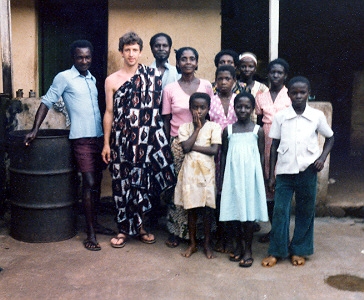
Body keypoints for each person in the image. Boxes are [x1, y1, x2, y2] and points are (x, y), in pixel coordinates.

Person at [24, 40, 115, 251]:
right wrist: (35, 129)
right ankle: (90, 233)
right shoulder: (64, 77)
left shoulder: (92, 79)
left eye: (87, 57)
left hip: (98, 138)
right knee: (89, 181)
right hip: (80, 139)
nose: (84, 61)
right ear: (73, 58)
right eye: (80, 57)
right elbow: (46, 102)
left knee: (98, 182)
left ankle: (95, 224)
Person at [102, 32, 175, 248]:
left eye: (135, 50)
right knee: (121, 184)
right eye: (127, 50)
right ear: (121, 52)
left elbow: (156, 112)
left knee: (143, 183)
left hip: (144, 142)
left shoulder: (152, 76)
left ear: (141, 52)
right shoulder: (112, 80)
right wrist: (106, 144)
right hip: (121, 142)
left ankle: (141, 227)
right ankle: (123, 229)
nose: (131, 54)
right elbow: (108, 112)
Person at [261, 76, 334, 267]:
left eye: (303, 92)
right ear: (289, 94)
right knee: (280, 212)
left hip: (308, 171)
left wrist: (321, 158)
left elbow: (330, 138)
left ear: (309, 93)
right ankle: (277, 251)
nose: (299, 96)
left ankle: (299, 250)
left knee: (305, 211)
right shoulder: (281, 117)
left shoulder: (317, 116)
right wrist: (272, 175)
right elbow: (274, 144)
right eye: (294, 92)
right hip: (284, 172)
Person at [162, 46, 213, 248]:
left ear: (197, 62)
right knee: (179, 188)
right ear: (178, 63)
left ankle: (201, 234)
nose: (188, 62)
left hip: (202, 143)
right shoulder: (170, 89)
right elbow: (166, 119)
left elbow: (210, 115)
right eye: (183, 59)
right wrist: (168, 144)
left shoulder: (207, 86)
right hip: (178, 143)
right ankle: (177, 232)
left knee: (201, 187)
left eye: (192, 58)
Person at [220, 92, 268, 268]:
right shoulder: (228, 130)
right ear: (234, 107)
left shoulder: (258, 130)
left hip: (250, 178)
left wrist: (260, 178)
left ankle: (248, 250)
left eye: (247, 106)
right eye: (239, 106)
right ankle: (238, 246)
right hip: (233, 178)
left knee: (248, 217)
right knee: (234, 214)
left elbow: (262, 155)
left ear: (252, 109)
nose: (242, 109)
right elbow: (224, 155)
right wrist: (222, 178)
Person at [174, 92, 221, 259]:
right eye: (195, 107)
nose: (198, 111)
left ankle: (207, 244)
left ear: (208, 108)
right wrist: (198, 128)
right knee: (192, 209)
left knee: (208, 211)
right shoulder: (185, 128)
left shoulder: (214, 127)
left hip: (207, 174)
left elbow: (214, 150)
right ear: (190, 108)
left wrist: (193, 146)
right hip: (190, 173)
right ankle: (193, 243)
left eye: (202, 107)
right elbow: (185, 148)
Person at [255, 58, 291, 243]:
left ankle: (281, 231)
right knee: (269, 187)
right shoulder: (261, 96)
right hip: (267, 143)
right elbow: (259, 123)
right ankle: (273, 229)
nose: (276, 75)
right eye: (272, 72)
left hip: (286, 145)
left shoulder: (290, 95)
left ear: (285, 75)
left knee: (282, 187)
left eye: (280, 72)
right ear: (268, 74)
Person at [208, 65, 237, 253]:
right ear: (216, 82)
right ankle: (219, 235)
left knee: (233, 194)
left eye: (227, 79)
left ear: (234, 81)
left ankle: (232, 237)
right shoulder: (210, 101)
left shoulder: (239, 100)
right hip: (215, 154)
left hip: (235, 153)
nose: (224, 82)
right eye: (220, 79)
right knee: (218, 196)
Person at [238, 52, 268, 122]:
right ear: (239, 68)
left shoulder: (263, 88)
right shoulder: (234, 86)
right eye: (243, 66)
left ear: (255, 69)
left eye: (250, 66)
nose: (247, 69)